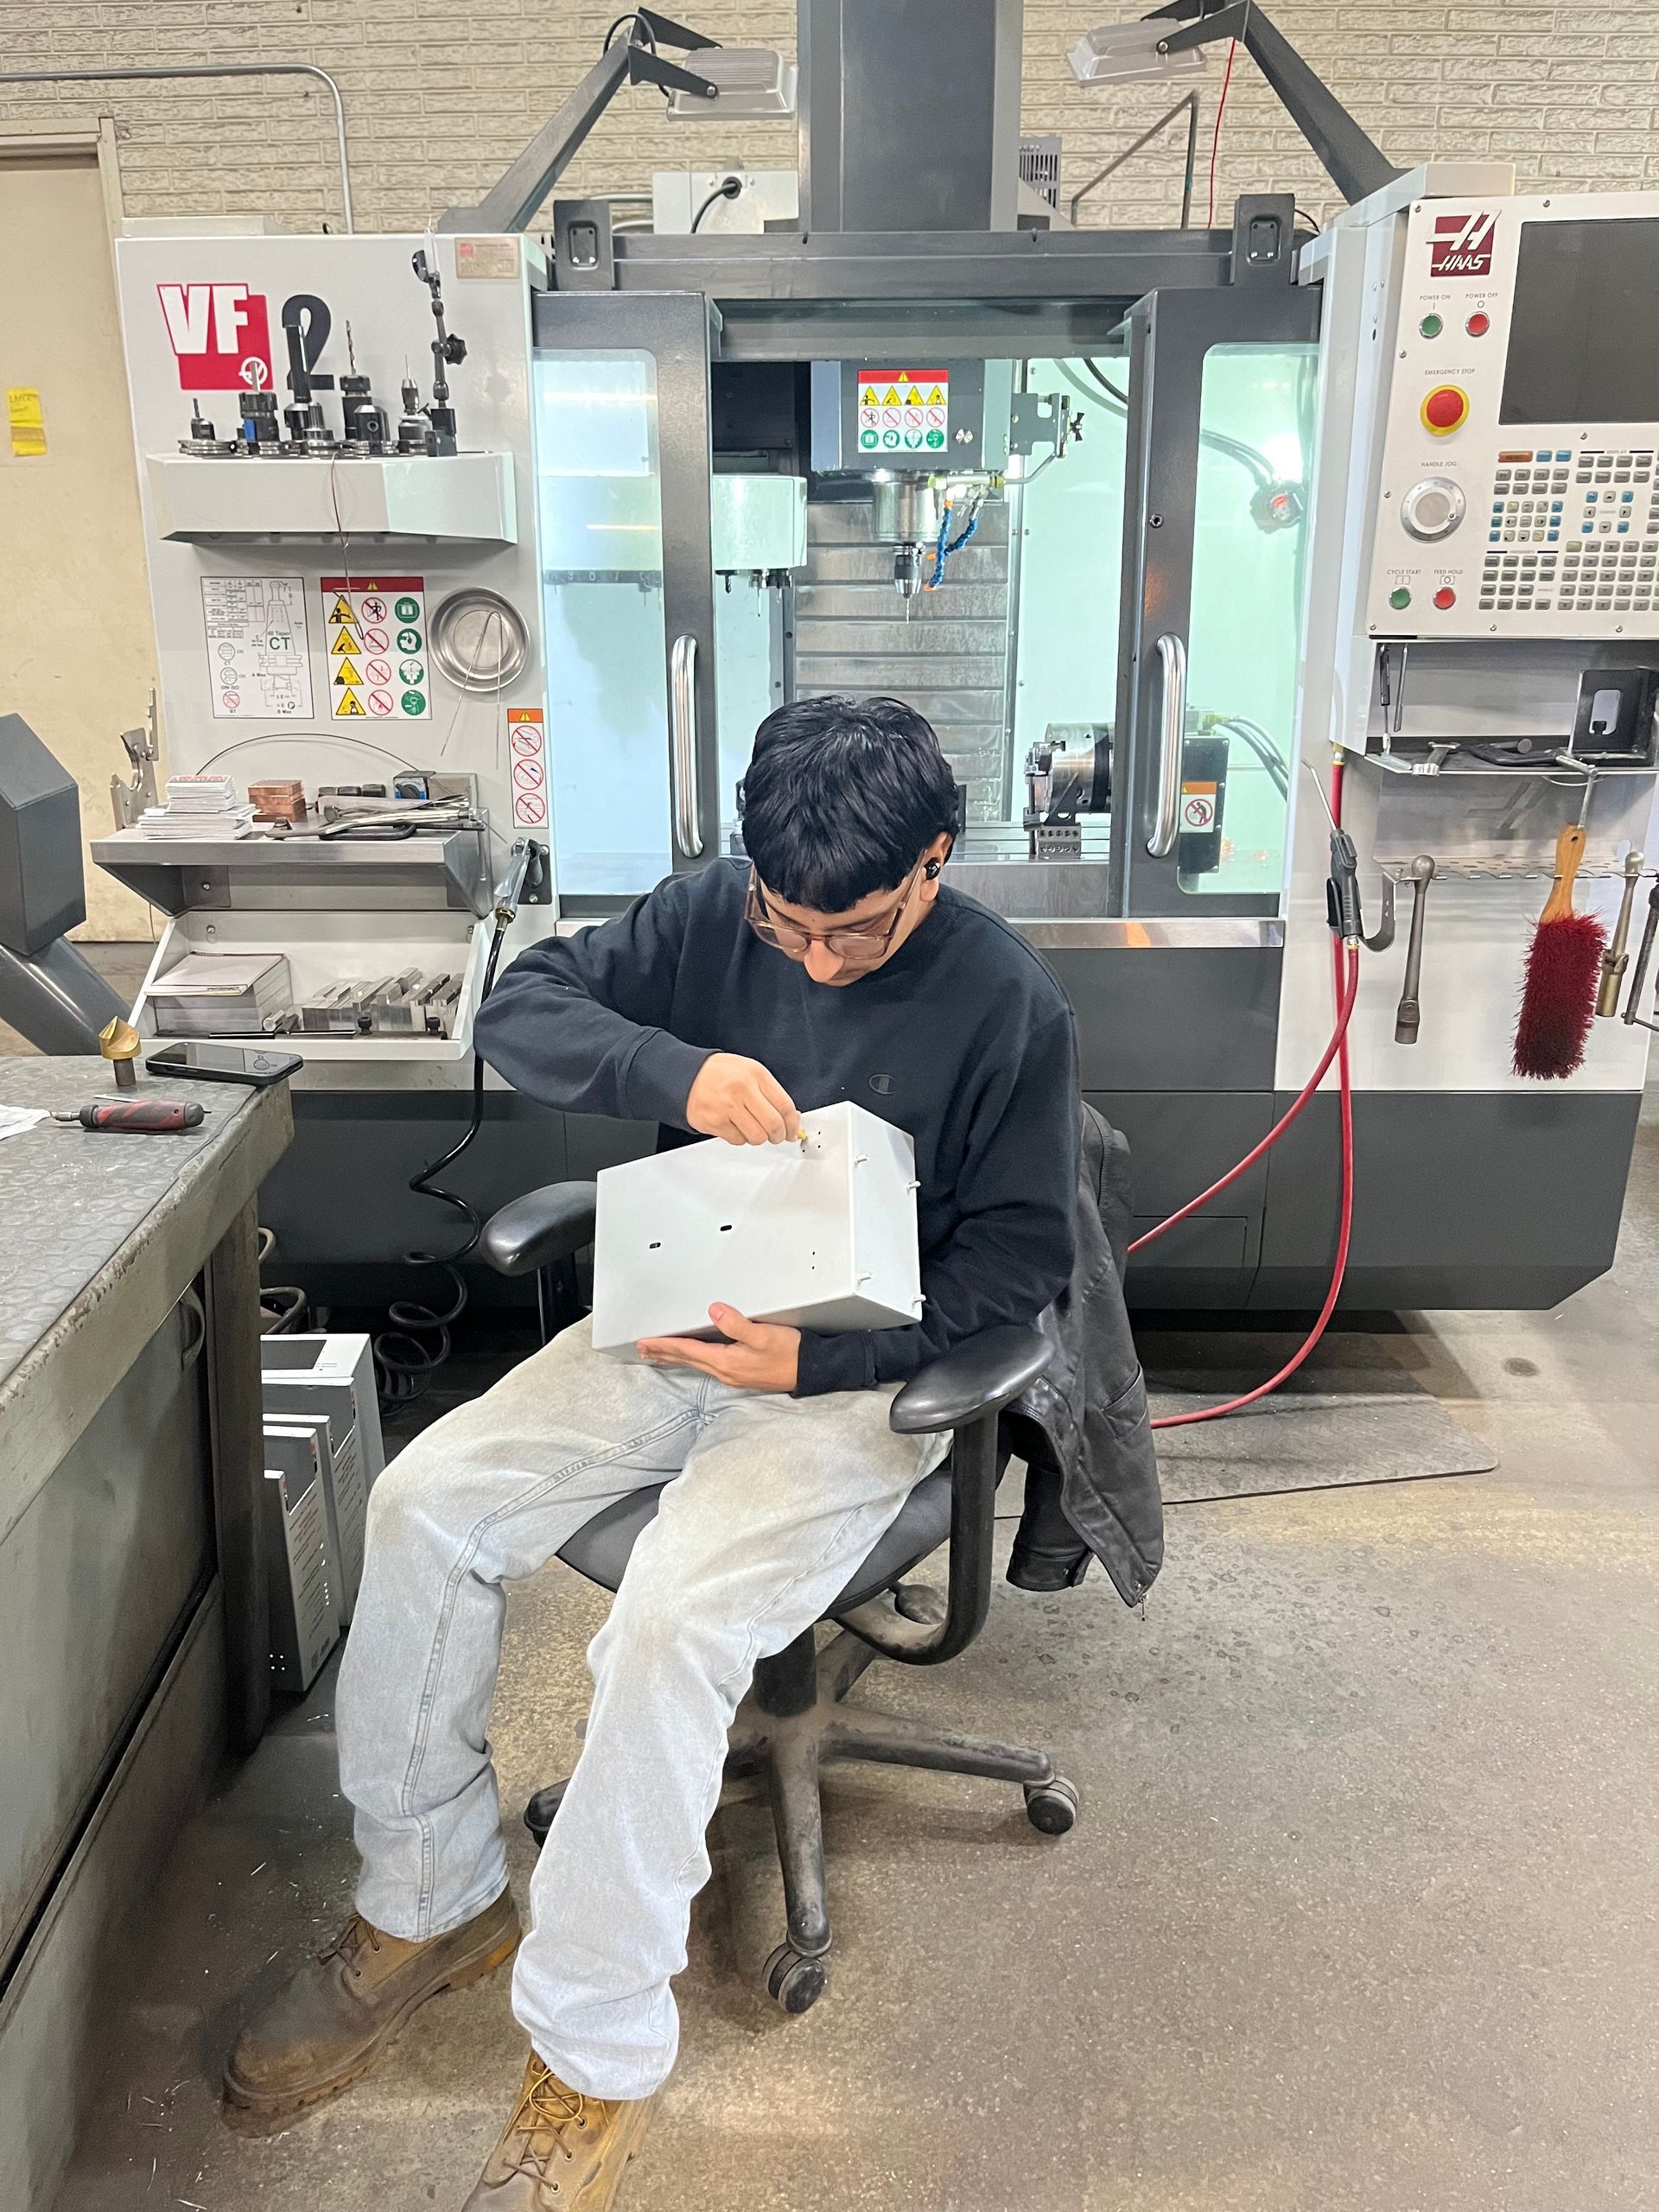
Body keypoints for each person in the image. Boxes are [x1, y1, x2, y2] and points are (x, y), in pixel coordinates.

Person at [222, 696, 1080, 2209]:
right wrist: (671, 1076)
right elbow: (524, 1007)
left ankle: (591, 2058)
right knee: (425, 1502)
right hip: (680, 1313)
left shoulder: (1007, 1005)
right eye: (788, 926)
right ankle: (428, 1904)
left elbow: (1017, 1278)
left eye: (860, 934)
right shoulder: (711, 919)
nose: (815, 961)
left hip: (849, 1374)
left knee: (670, 1619)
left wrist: (822, 1355)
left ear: (936, 863)